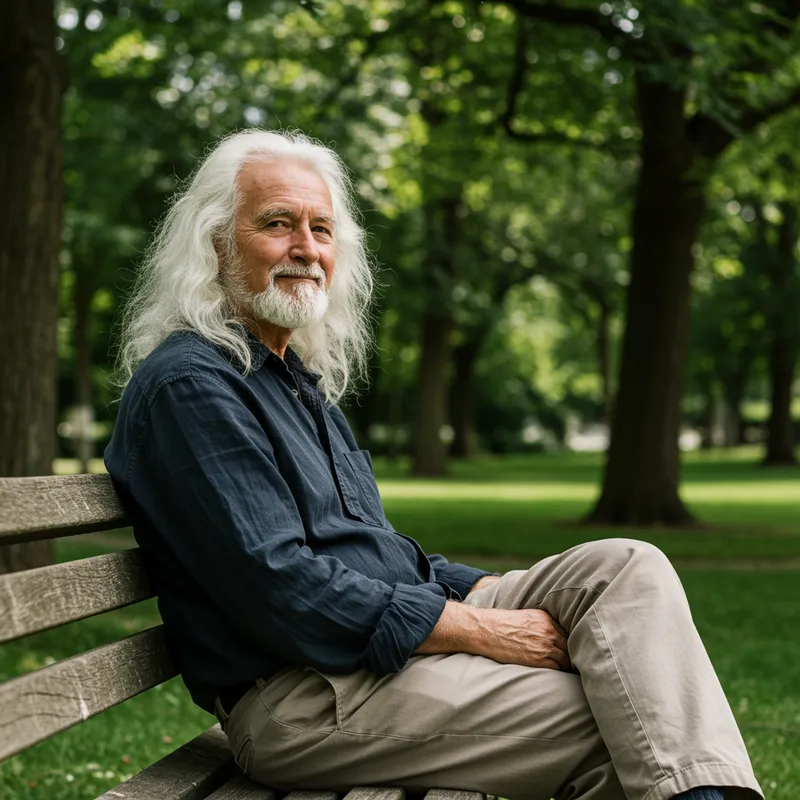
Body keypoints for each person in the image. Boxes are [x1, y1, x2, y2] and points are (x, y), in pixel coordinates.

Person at [105, 129, 763, 800]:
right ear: (215, 243)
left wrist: (476, 590)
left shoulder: (292, 381)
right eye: (277, 224)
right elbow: (281, 587)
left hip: (369, 657)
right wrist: (483, 630)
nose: (306, 248)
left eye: (322, 229)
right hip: (307, 695)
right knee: (628, 717)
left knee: (626, 567)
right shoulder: (192, 387)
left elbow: (371, 550)